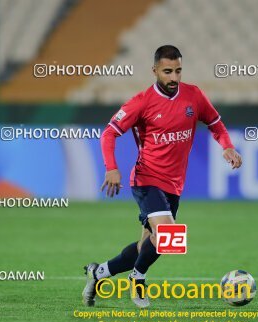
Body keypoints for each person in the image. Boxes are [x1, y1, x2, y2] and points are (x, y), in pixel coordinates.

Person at [83, 45, 242, 308]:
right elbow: (109, 133)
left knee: (146, 245)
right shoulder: (142, 102)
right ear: (155, 70)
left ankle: (99, 273)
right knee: (170, 235)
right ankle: (138, 279)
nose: (173, 77)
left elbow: (215, 123)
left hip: (174, 185)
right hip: (146, 179)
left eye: (178, 71)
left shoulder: (194, 96)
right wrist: (111, 167)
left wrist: (227, 145)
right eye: (167, 71)